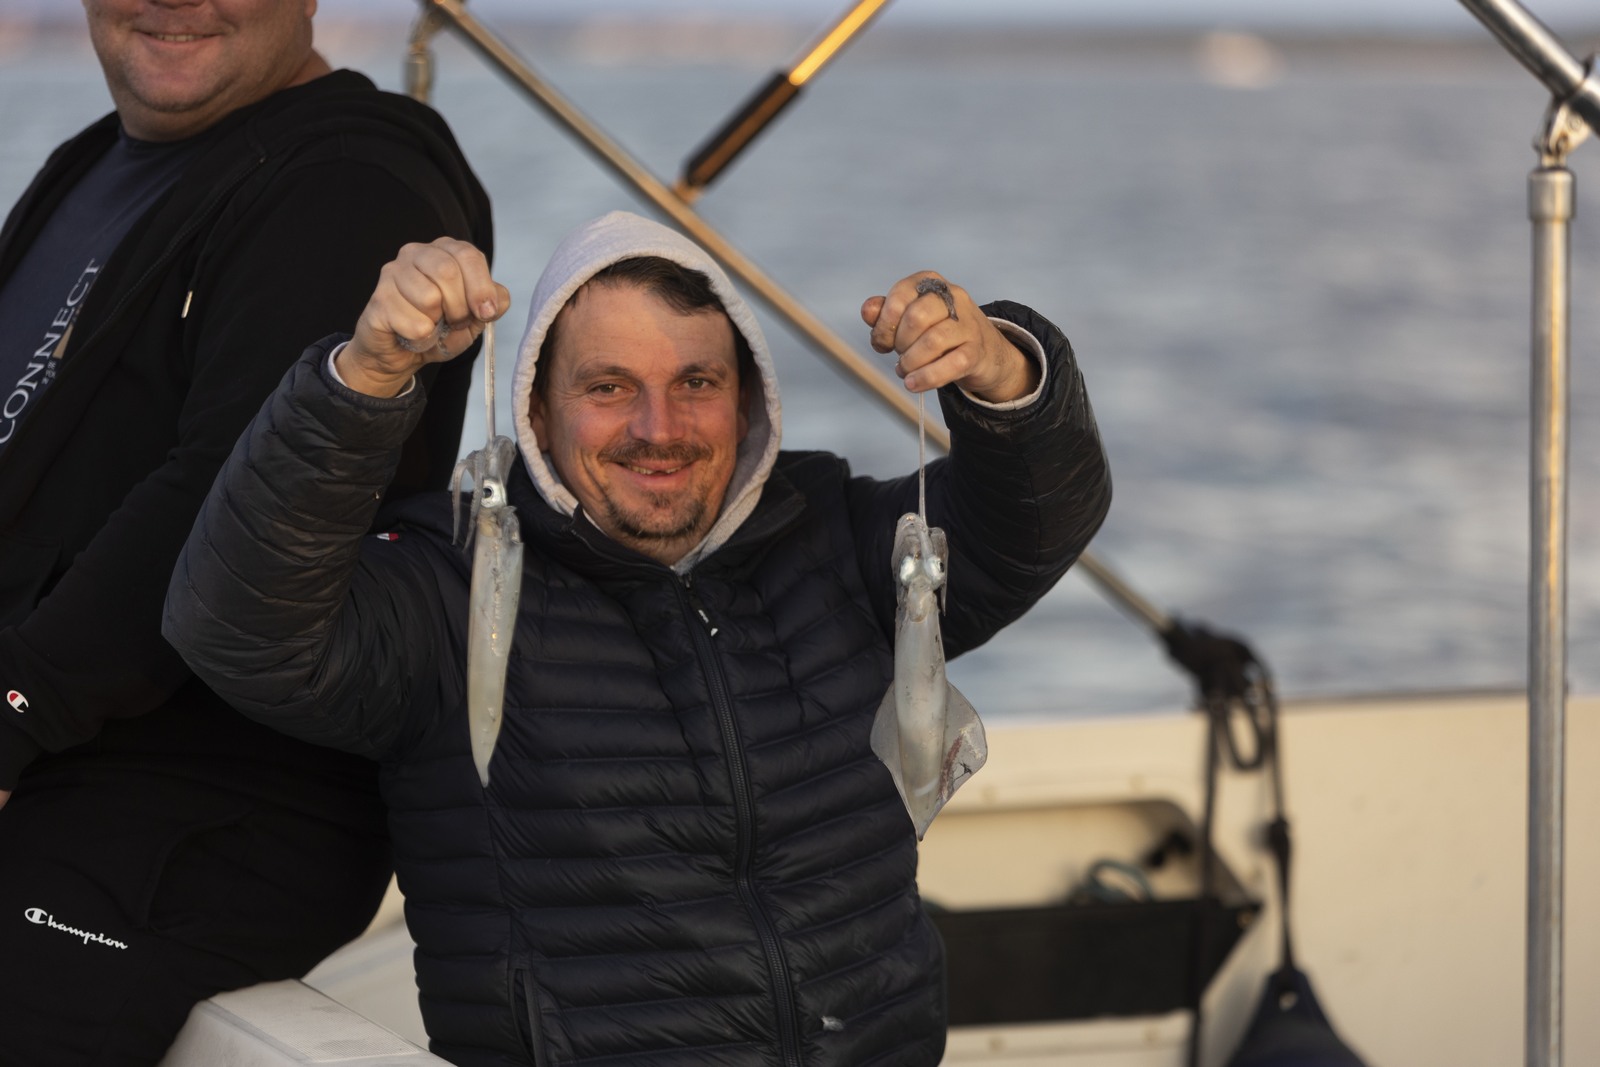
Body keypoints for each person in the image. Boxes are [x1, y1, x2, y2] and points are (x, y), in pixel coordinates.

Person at [165, 210, 1111, 1067]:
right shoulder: (444, 582)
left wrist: (1005, 377)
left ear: (748, 401)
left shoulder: (835, 532)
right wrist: (365, 377)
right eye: (609, 386)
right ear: (537, 410)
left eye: (696, 382)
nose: (658, 429)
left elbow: (1037, 522)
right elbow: (236, 626)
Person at [0, 1, 492, 1063]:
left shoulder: (350, 184)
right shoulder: (93, 162)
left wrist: (13, 709)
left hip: (194, 800)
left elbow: (219, 494)